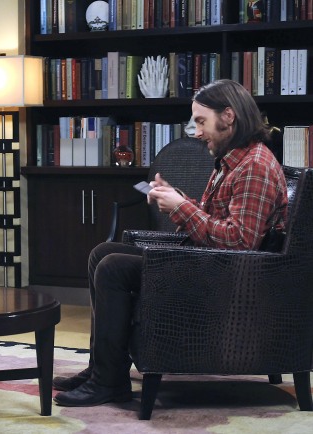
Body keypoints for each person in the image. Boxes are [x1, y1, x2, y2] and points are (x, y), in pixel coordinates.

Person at [52, 79, 288, 407]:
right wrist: (178, 199)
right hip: (213, 264)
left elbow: (239, 244)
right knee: (102, 253)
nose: (197, 132)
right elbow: (215, 220)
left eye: (202, 122)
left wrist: (181, 208)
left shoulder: (254, 167)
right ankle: (102, 368)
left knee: (114, 267)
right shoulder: (232, 160)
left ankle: (110, 383)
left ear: (229, 116)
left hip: (230, 280)